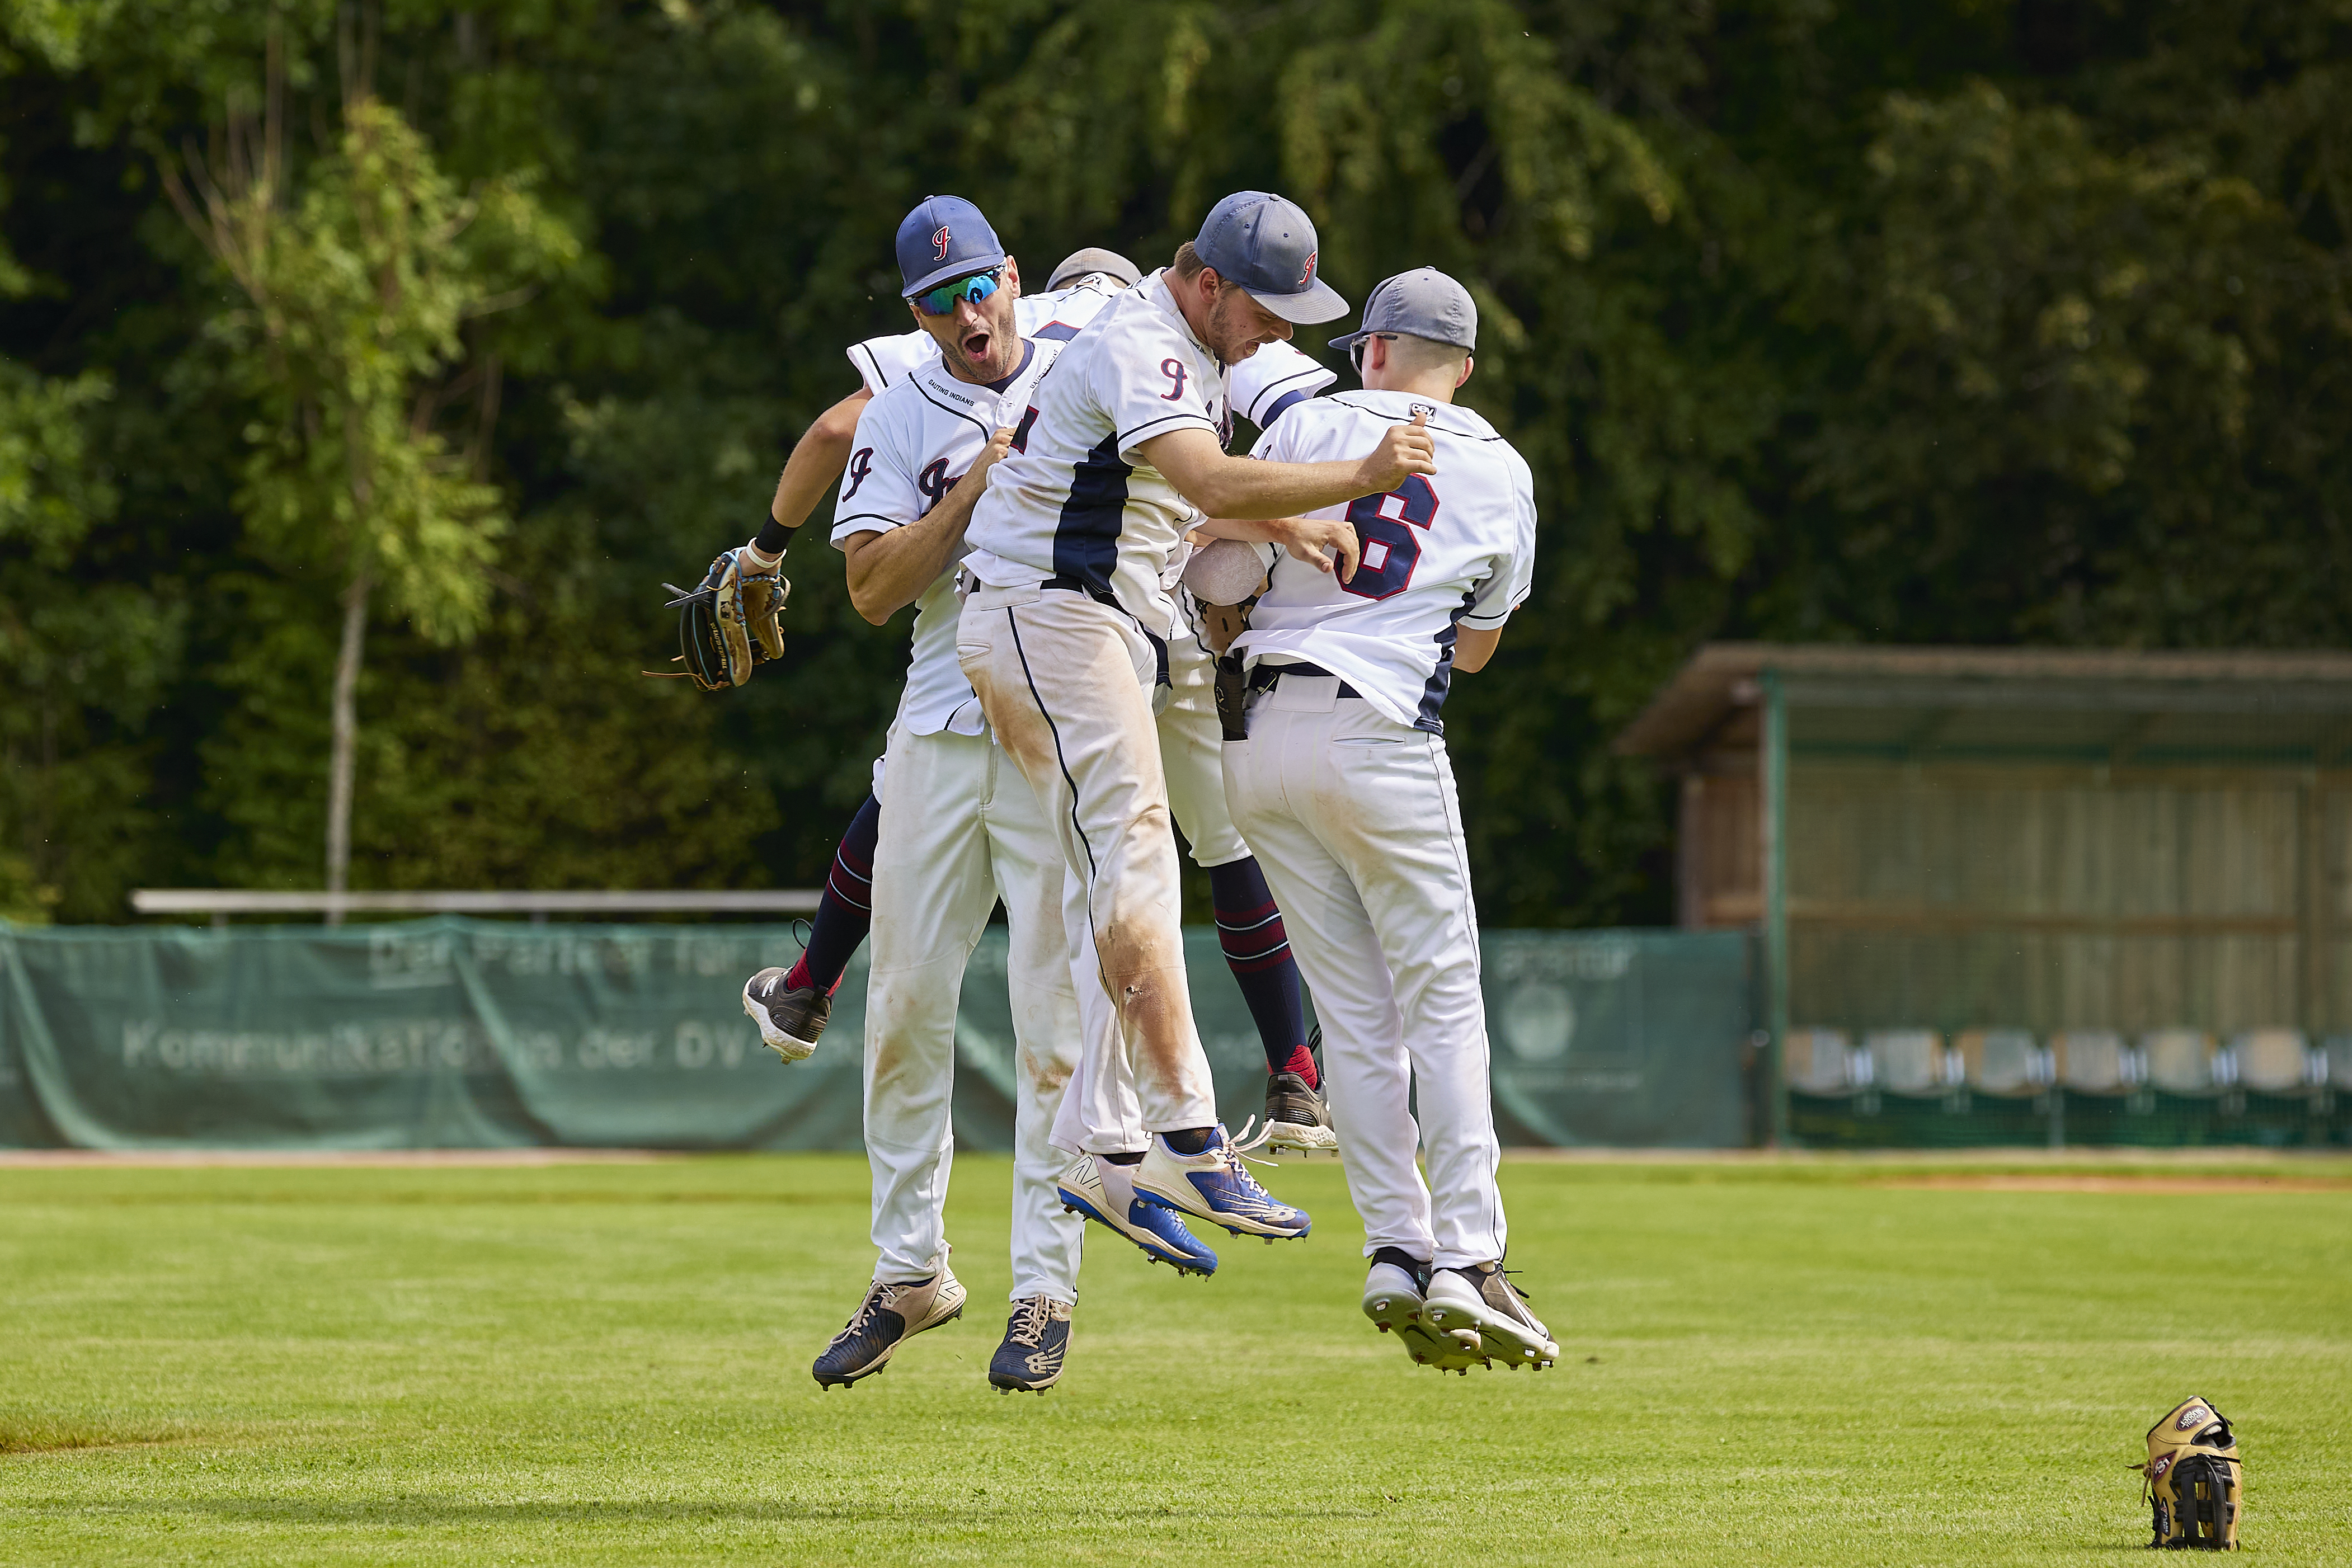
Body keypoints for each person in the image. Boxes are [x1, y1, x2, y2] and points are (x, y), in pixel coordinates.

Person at [740, 249, 1344, 1158]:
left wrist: (766, 548)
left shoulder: (998, 346)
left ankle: (810, 983)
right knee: (1215, 849)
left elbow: (834, 431)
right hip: (1157, 625)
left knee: (936, 809)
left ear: (1034, 282)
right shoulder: (1167, 338)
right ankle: (1286, 1075)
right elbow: (1292, 430)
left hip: (1044, 640)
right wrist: (1305, 514)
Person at [954, 191, 1435, 1244]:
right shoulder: (1148, 340)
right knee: (1138, 867)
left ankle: (1106, 1150)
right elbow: (1203, 471)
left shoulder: (1189, 346)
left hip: (1084, 624)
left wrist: (1293, 524)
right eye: (1268, 305)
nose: (1282, 328)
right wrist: (1358, 477)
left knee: (1116, 886)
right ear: (1206, 283)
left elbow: (1153, 491)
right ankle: (1193, 1144)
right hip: (1050, 618)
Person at [788, 196, 1114, 1395]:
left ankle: (1043, 1292)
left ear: (1014, 277)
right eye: (938, 299)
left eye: (979, 286)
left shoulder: (1088, 362)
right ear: (913, 313)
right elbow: (870, 590)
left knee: (1049, 1026)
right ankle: (909, 1271)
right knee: (906, 1008)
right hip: (936, 721)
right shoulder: (904, 408)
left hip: (1055, 723)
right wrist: (971, 490)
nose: (966, 314)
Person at [1218, 268, 1556, 1372]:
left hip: (1258, 742)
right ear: (1460, 369)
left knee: (1354, 1018)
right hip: (1380, 737)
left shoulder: (1304, 418)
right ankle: (1467, 1254)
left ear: (1368, 348)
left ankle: (1395, 1250)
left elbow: (1228, 547)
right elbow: (1474, 644)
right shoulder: (1498, 467)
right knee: (1439, 1001)